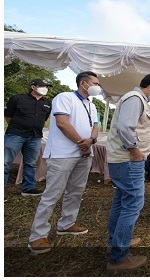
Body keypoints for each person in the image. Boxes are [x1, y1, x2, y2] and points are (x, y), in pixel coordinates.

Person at [27, 72, 101, 254]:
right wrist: (81, 143)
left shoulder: (91, 105)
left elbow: (95, 127)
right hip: (63, 154)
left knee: (76, 191)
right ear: (83, 83)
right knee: (52, 193)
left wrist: (90, 141)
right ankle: (37, 236)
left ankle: (67, 223)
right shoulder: (64, 97)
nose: (98, 86)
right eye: (95, 83)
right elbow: (62, 123)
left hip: (84, 154)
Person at [106, 73, 150, 272]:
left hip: (123, 159)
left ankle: (117, 239)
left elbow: (135, 125)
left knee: (121, 200)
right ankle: (119, 257)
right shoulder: (135, 99)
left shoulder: (138, 100)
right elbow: (125, 127)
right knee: (133, 203)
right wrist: (134, 150)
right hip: (128, 159)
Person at [4, 79, 53, 199]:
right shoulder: (17, 98)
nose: (45, 88)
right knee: (5, 162)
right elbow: (8, 116)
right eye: (42, 86)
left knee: (30, 163)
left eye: (46, 86)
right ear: (33, 87)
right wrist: (19, 126)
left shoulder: (47, 103)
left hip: (35, 137)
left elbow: (44, 118)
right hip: (15, 134)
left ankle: (28, 188)